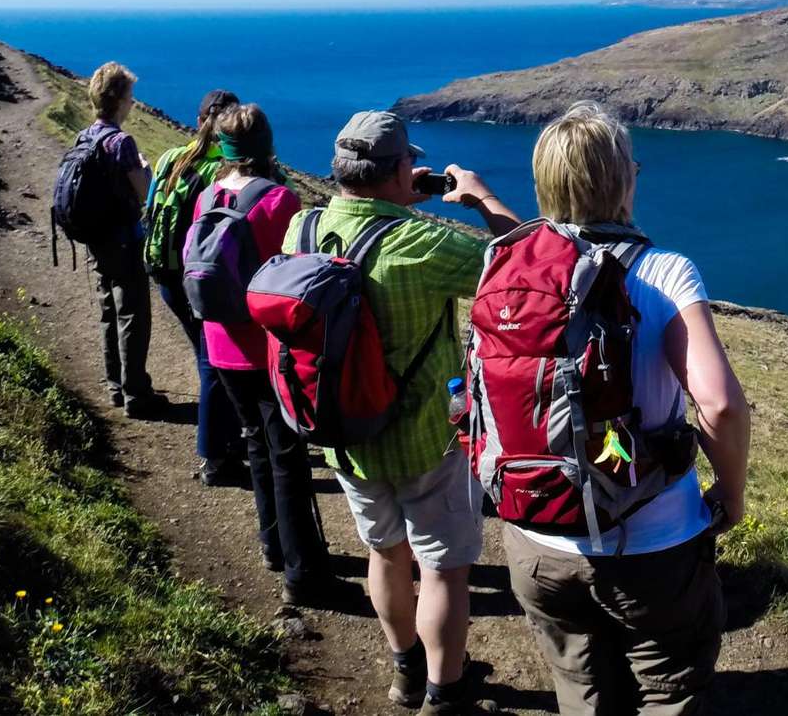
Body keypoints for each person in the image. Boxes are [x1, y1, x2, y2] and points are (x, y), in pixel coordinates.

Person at [500, 100, 751, 716]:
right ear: (622, 179)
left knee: (582, 690)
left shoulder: (503, 264)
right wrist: (733, 493)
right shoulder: (665, 273)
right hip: (651, 540)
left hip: (535, 532)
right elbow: (718, 404)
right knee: (669, 692)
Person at [285, 111, 522, 714]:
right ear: (397, 169)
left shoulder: (301, 229)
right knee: (443, 568)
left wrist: (395, 200)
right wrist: (480, 198)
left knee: (385, 552)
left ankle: (406, 672)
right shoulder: (423, 244)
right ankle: (446, 691)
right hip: (428, 438)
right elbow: (524, 264)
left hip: (345, 435)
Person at [192, 104, 344, 604]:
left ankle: (274, 545)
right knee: (287, 457)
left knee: (258, 444)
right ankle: (304, 575)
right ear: (266, 143)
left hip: (219, 341)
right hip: (267, 347)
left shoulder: (208, 195)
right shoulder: (279, 200)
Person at [145, 88, 247, 485]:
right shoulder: (225, 171)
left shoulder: (172, 158)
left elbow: (149, 209)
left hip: (167, 274)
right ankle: (215, 456)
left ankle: (225, 440)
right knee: (214, 363)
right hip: (204, 281)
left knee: (207, 358)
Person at [79, 62, 163, 418]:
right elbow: (145, 193)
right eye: (130, 96)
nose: (133, 103)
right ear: (118, 99)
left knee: (108, 313)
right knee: (132, 315)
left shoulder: (85, 136)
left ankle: (116, 385)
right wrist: (146, 169)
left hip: (95, 238)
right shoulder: (121, 141)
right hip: (125, 240)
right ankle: (136, 394)